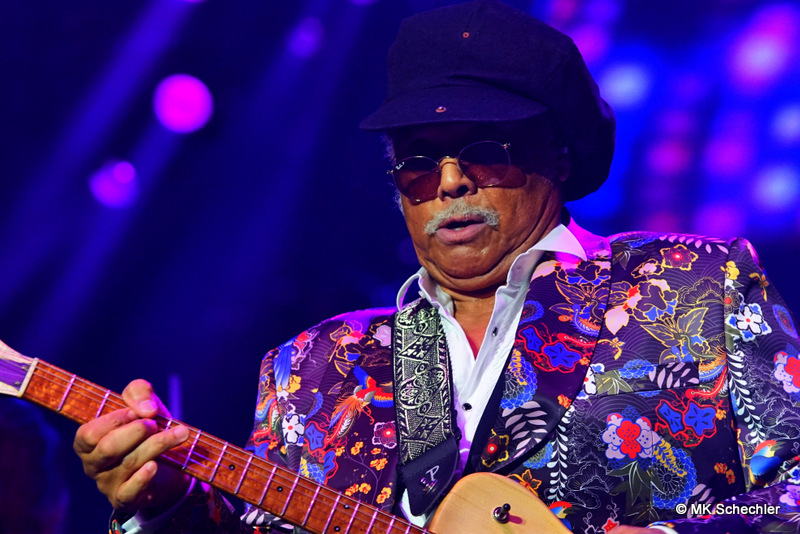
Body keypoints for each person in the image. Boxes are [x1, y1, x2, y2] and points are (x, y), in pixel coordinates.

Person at [73, 1, 800, 533]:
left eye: (483, 149)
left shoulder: (695, 284)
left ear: (557, 154)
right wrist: (164, 505)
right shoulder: (313, 367)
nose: (449, 181)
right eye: (419, 161)